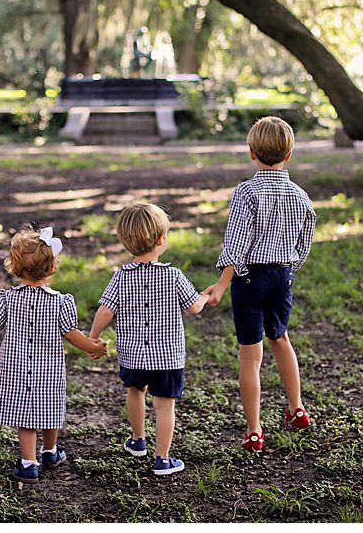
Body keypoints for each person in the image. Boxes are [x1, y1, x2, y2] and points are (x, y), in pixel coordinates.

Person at [199, 116, 317, 452]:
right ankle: (297, 409)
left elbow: (235, 242)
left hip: (249, 277)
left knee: (251, 357)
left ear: (252, 153)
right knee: (280, 339)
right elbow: (305, 240)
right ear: (289, 154)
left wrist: (222, 283)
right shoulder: (300, 195)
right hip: (282, 275)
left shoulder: (247, 192)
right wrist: (289, 268)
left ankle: (254, 430)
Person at [0, 227, 103, 479]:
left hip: (16, 368)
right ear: (51, 268)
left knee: (26, 417)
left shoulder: (5, 299)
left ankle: (29, 464)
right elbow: (71, 334)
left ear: (15, 268)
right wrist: (92, 346)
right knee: (49, 409)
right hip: (48, 369)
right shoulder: (61, 301)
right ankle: (50, 451)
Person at [86, 200, 210, 478]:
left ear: (124, 241)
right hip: (167, 358)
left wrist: (93, 338)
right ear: (161, 239)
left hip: (133, 356)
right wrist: (205, 296)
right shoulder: (173, 275)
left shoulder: (120, 278)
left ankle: (138, 440)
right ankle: (162, 459)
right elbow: (193, 307)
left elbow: (105, 311)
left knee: (135, 391)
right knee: (165, 405)